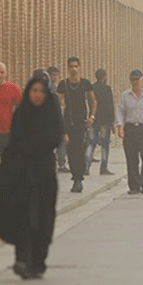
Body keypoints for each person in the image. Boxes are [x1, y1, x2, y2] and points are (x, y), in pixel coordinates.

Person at [0, 74, 64, 280]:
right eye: (34, 91)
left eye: (41, 91)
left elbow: (54, 138)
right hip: (23, 172)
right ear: (28, 92)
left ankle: (38, 262)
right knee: (23, 213)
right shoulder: (22, 113)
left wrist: (29, 147)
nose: (37, 95)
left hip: (43, 173)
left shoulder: (52, 112)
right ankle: (22, 259)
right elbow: (13, 141)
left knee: (42, 216)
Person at [57, 57, 97, 193]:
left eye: (75, 66)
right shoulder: (63, 84)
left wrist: (92, 116)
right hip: (68, 122)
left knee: (80, 150)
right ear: (67, 68)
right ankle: (75, 177)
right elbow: (58, 104)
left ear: (79, 67)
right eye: (71, 66)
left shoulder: (86, 83)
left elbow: (93, 101)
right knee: (70, 151)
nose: (73, 69)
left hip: (82, 123)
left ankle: (78, 179)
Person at [85, 69, 115, 176]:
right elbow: (110, 105)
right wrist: (112, 122)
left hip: (94, 120)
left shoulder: (91, 88)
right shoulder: (107, 89)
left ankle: (86, 166)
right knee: (105, 144)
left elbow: (89, 103)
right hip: (105, 121)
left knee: (91, 143)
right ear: (104, 77)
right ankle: (103, 168)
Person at [47, 66, 67, 173]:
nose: (55, 77)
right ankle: (61, 164)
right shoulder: (49, 88)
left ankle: (60, 163)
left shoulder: (54, 87)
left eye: (56, 75)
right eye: (53, 75)